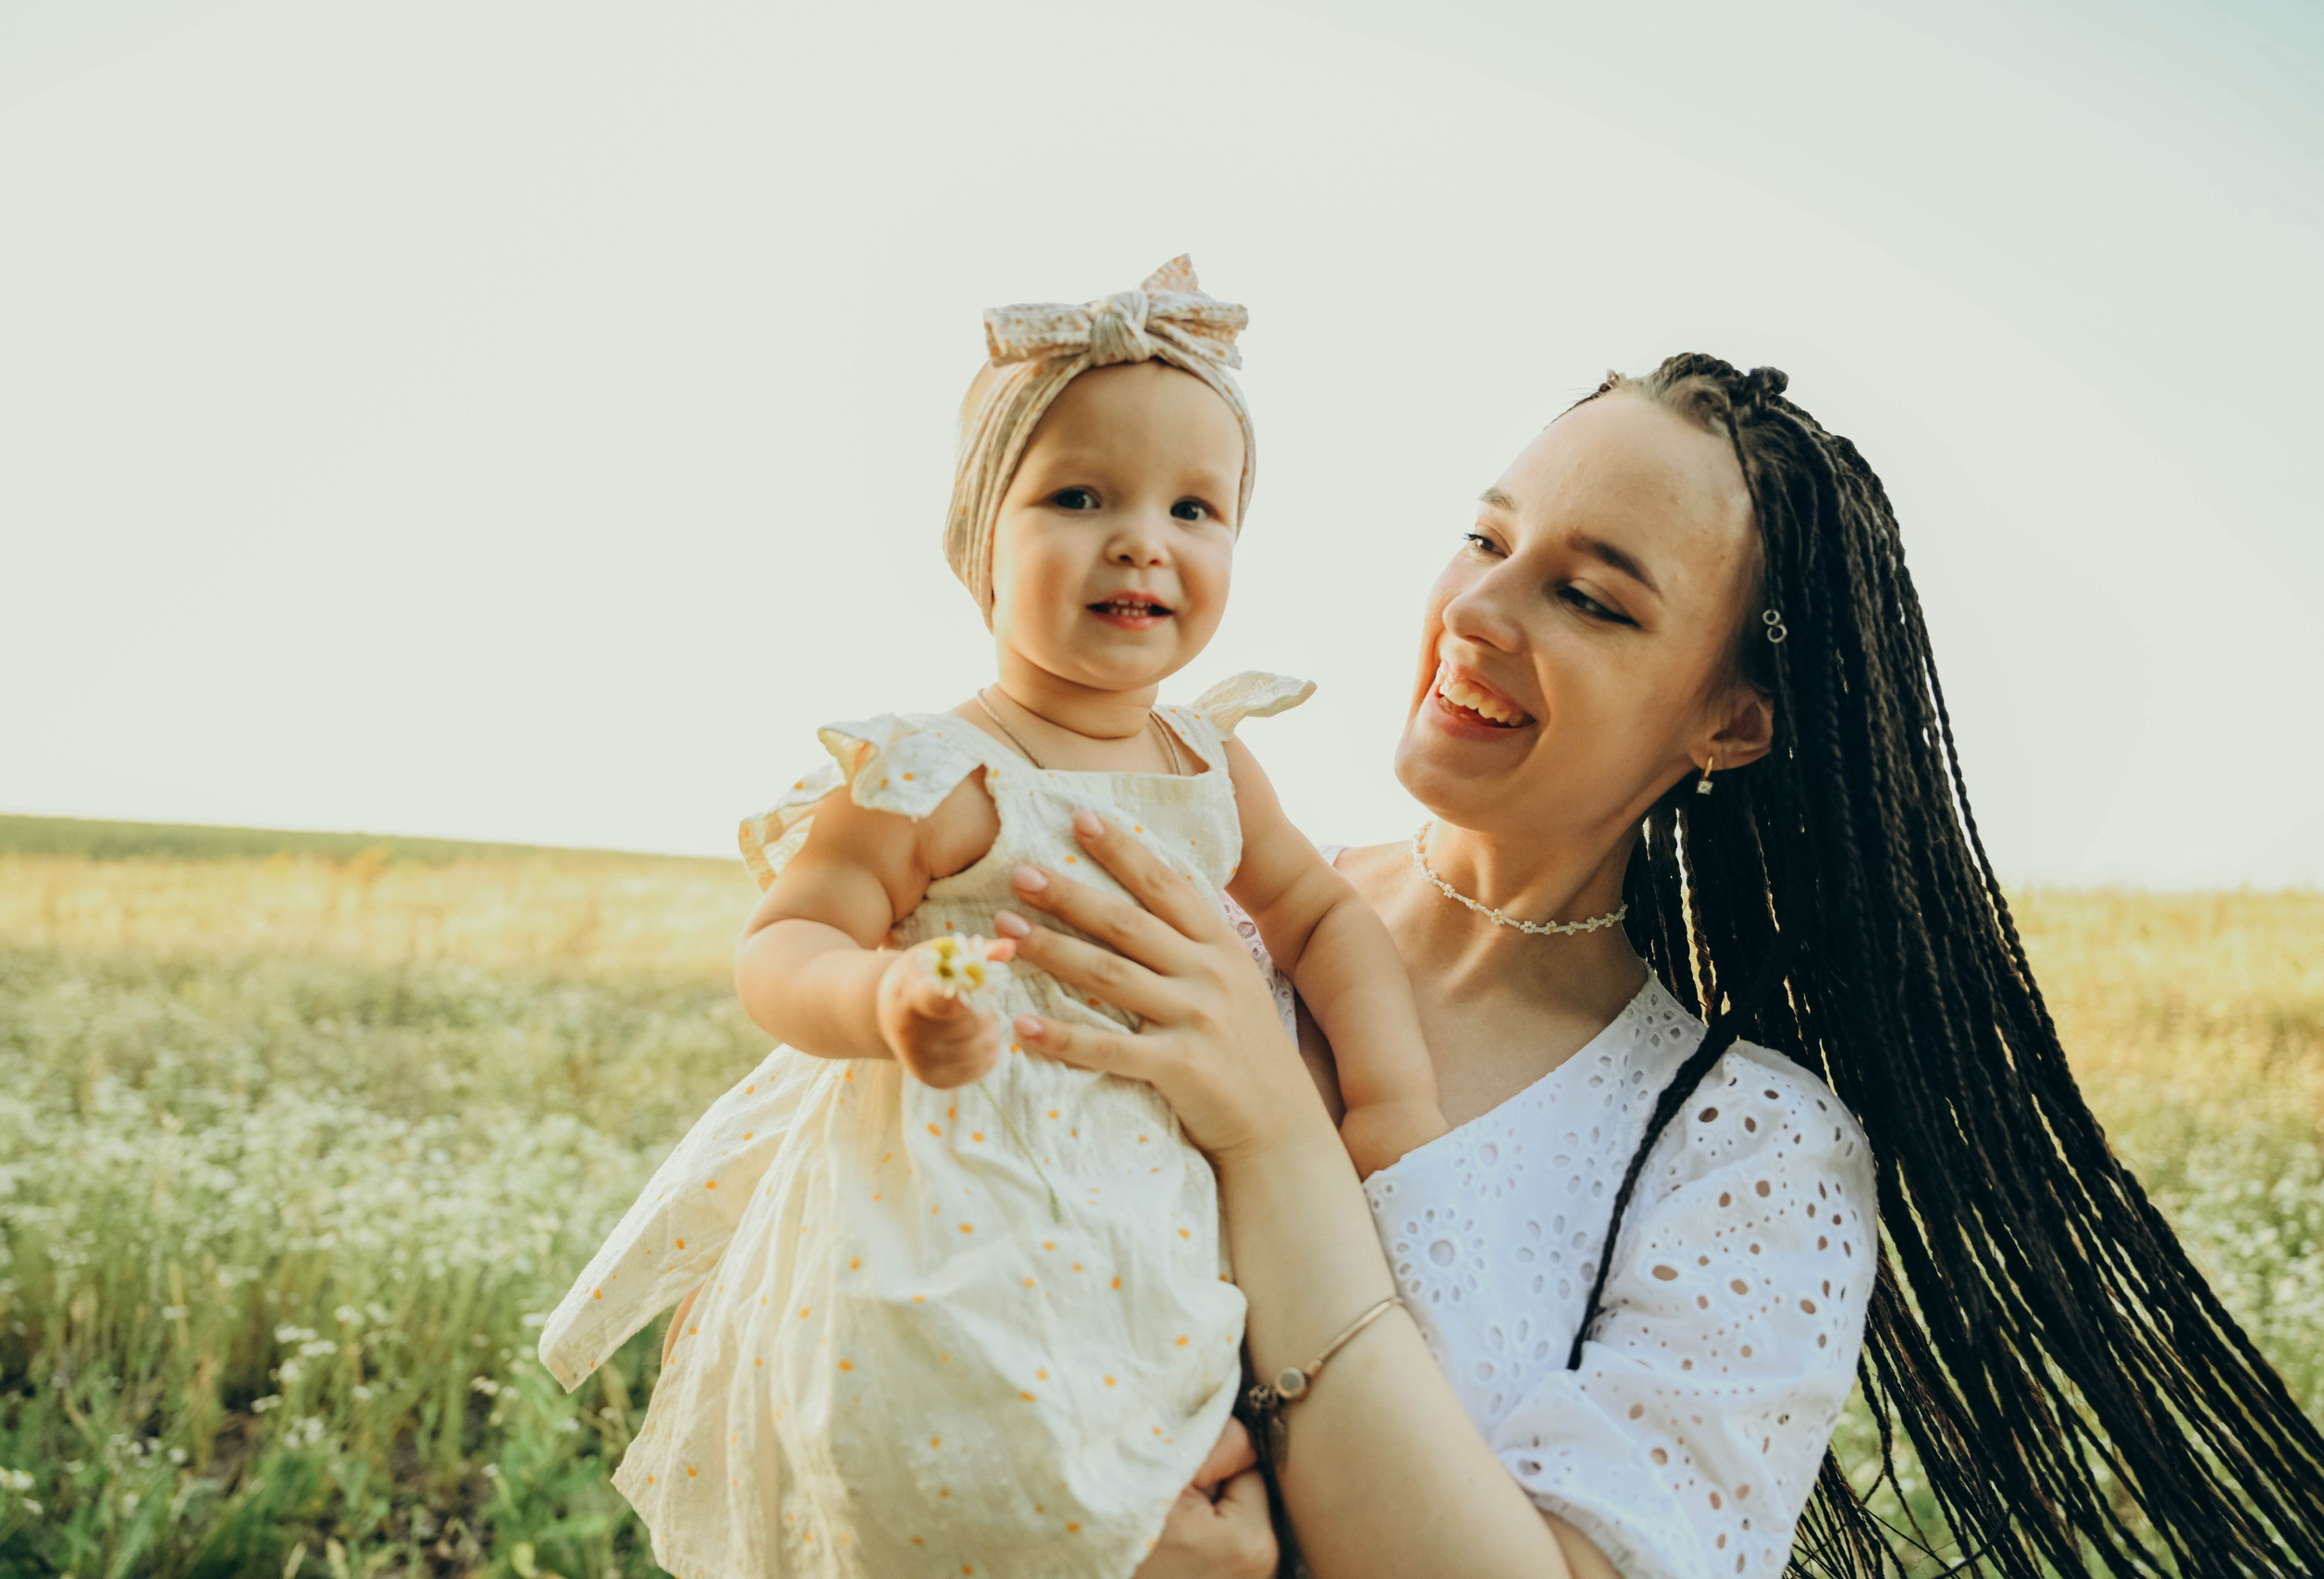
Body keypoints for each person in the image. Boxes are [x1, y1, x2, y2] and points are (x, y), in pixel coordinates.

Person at [995, 355, 2324, 1578]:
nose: (1480, 610)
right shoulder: (1183, 903)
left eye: (1588, 596)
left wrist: (1276, 1138)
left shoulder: (1749, 1155)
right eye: (1485, 536)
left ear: (1730, 722)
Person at [534, 257, 1442, 1579]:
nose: (1143, 539)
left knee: (1165, 1434)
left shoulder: (1211, 763)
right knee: (964, 1445)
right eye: (1079, 496)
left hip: (1153, 1192)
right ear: (980, 542)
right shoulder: (934, 771)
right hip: (962, 1184)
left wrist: (1390, 1102)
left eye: (1197, 508)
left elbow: (1322, 921)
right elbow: (785, 945)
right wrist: (884, 1002)